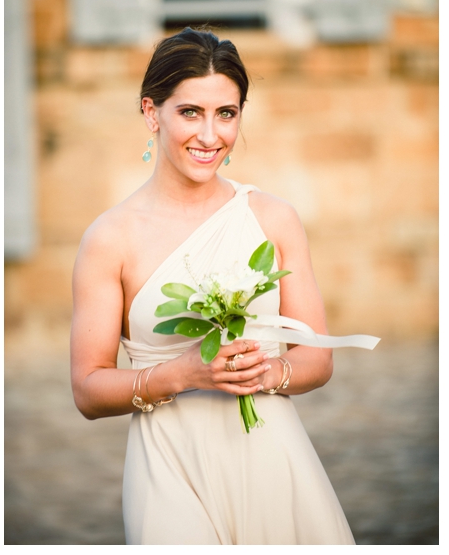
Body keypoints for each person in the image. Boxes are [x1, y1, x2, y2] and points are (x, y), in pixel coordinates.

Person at [70, 28, 355, 544]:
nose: (210, 135)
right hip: (169, 463)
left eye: (226, 112)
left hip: (270, 454)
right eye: (190, 112)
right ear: (151, 112)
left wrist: (263, 373)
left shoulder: (274, 218)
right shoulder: (111, 238)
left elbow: (317, 359)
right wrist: (182, 374)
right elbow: (88, 389)